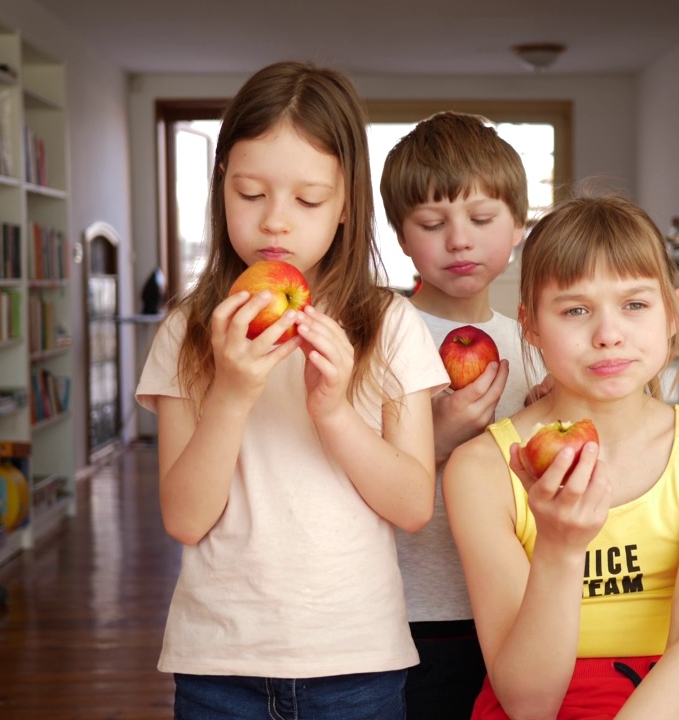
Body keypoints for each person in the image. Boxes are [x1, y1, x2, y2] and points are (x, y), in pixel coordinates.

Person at [135, 61, 449, 720]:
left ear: (345, 206)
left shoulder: (388, 326)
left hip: (358, 660)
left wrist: (333, 412)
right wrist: (231, 391)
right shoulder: (189, 331)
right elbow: (185, 519)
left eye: (307, 201)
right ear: (221, 188)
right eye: (251, 194)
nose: (276, 224)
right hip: (218, 662)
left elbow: (414, 504)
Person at [443, 193, 679, 720]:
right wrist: (561, 550)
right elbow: (527, 702)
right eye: (575, 310)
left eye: (635, 305)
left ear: (674, 313)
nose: (609, 335)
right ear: (531, 326)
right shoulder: (482, 469)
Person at [379, 111, 541, 719]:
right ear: (400, 235)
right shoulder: (379, 338)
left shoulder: (536, 344)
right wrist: (437, 440)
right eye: (431, 223)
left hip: (517, 609)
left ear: (519, 225)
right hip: (410, 612)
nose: (460, 241)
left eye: (481, 219)